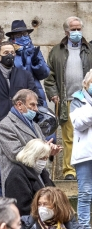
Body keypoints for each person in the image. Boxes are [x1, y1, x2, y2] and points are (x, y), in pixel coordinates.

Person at [0, 41, 42, 196]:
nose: (9, 56)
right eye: (5, 53)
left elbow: (35, 100)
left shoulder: (25, 75)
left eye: (12, 52)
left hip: (24, 133)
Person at [45, 16, 92, 180]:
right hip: (66, 100)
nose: (77, 32)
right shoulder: (57, 51)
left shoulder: (89, 49)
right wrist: (53, 94)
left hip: (87, 100)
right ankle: (70, 171)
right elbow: (49, 75)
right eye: (73, 29)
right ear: (66, 31)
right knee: (69, 138)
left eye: (79, 29)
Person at [0, 89, 62, 194]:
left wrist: (49, 150)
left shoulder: (34, 125)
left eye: (36, 105)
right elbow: (15, 153)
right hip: (17, 182)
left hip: (35, 179)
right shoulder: (5, 125)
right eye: (32, 105)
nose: (36, 109)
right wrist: (43, 149)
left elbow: (42, 146)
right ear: (19, 105)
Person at [69, 69, 92, 229]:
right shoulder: (77, 100)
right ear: (87, 83)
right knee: (85, 192)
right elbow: (79, 123)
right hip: (85, 155)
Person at [5, 139, 54, 216]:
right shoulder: (17, 176)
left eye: (46, 158)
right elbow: (22, 208)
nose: (43, 162)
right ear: (31, 156)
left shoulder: (42, 173)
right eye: (41, 158)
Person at [6, 19, 50, 104]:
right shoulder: (9, 52)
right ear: (13, 38)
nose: (23, 37)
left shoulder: (33, 50)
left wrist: (37, 63)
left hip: (35, 93)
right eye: (19, 35)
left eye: (25, 34)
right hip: (17, 95)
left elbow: (45, 74)